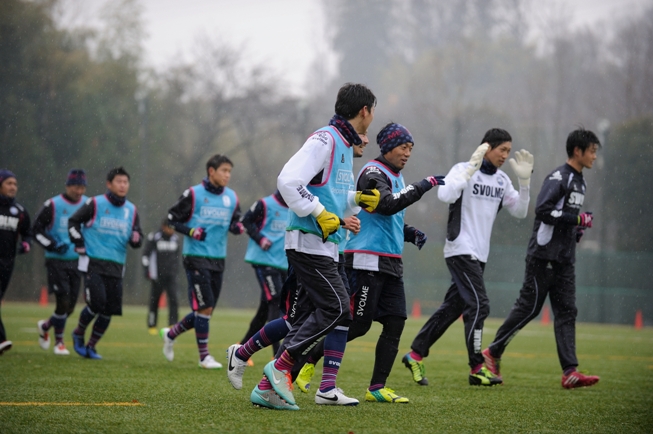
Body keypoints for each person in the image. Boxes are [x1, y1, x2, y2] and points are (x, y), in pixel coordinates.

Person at [248, 83, 379, 410]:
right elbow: (288, 181)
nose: (372, 120)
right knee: (337, 309)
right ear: (365, 111)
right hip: (308, 243)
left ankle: (267, 387)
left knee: (316, 313)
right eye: (373, 112)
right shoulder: (326, 139)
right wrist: (319, 213)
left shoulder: (344, 144)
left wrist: (356, 199)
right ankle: (278, 366)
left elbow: (330, 194)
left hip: (326, 246)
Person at [295, 122, 445, 404]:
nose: (407, 153)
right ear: (388, 147)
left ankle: (376, 387)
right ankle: (307, 361)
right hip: (366, 261)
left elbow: (388, 217)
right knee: (358, 324)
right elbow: (386, 205)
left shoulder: (396, 176)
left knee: (396, 322)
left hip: (391, 262)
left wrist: (409, 232)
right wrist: (423, 186)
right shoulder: (372, 173)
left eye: (411, 148)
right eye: (403, 147)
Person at [226, 133, 368, 397]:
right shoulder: (326, 147)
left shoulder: (344, 163)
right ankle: (270, 371)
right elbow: (306, 196)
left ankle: (320, 386)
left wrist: (354, 202)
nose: (366, 140)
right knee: (305, 317)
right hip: (307, 251)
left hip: (330, 251)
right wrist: (340, 220)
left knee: (324, 317)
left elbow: (335, 203)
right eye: (363, 134)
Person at [403, 128, 533, 386]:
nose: (505, 156)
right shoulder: (463, 169)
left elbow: (520, 211)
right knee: (480, 305)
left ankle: (415, 354)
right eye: (502, 150)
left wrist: (525, 183)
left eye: (508, 151)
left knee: (453, 307)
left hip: (479, 254)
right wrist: (468, 172)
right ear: (487, 147)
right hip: (460, 249)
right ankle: (477, 367)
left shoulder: (502, 180)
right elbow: (445, 195)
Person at [482, 128, 600, 389]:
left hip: (565, 258)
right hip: (544, 256)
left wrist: (577, 229)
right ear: (577, 151)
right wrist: (577, 219)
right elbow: (543, 211)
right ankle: (493, 351)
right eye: (592, 151)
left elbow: (563, 217)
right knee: (529, 308)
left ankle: (570, 371)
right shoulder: (559, 177)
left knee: (567, 312)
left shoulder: (581, 181)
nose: (594, 156)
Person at [161, 154, 243, 369]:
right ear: (211, 171)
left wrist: (237, 227)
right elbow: (171, 219)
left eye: (229, 171)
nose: (227, 175)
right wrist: (191, 231)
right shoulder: (193, 194)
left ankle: (171, 334)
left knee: (205, 310)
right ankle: (204, 357)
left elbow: (235, 222)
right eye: (224, 170)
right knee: (204, 308)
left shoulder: (232, 197)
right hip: (195, 257)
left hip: (218, 258)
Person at [68, 167, 143, 359]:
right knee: (97, 303)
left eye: (125, 182)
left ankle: (91, 346)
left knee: (109, 310)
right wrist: (79, 242)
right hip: (93, 262)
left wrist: (136, 239)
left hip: (117, 265)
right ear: (109, 184)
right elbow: (73, 222)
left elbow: (137, 237)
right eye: (119, 181)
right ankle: (78, 332)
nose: (122, 185)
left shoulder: (132, 210)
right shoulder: (95, 203)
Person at [34, 169, 88, 355]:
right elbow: (36, 230)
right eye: (75, 187)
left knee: (70, 306)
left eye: (82, 187)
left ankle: (46, 326)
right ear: (67, 186)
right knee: (62, 301)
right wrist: (52, 244)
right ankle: (59, 343)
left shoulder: (88, 204)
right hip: (56, 261)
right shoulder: (53, 205)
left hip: (77, 261)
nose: (79, 191)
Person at [237, 189, 289, 358]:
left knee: (265, 309)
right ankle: (277, 354)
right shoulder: (265, 204)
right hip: (264, 261)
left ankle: (241, 348)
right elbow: (245, 221)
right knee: (276, 300)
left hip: (283, 263)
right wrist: (260, 239)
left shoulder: (298, 207)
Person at [0, 169, 32, 355]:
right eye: (9, 183)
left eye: (15, 184)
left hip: (7, 262)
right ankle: (1, 339)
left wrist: (26, 243)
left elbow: (28, 232)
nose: (13, 187)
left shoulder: (19, 211)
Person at [142, 220, 181, 334]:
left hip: (171, 275)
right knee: (154, 300)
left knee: (173, 299)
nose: (172, 230)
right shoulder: (154, 237)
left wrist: (176, 271)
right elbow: (146, 255)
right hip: (157, 275)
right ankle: (152, 324)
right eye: (170, 228)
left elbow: (177, 257)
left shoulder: (175, 239)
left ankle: (172, 324)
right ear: (163, 227)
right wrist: (147, 270)